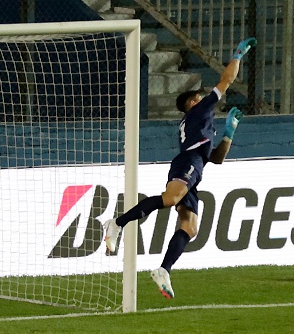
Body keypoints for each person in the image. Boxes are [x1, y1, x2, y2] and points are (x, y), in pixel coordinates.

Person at [103, 37, 257, 299]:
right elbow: (227, 80)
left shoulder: (201, 123)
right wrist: (238, 56)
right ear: (193, 104)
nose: (205, 98)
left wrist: (229, 133)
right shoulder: (198, 113)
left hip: (195, 166)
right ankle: (117, 223)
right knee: (171, 198)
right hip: (188, 162)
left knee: (190, 226)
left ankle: (164, 269)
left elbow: (216, 158)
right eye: (199, 97)